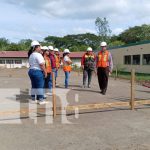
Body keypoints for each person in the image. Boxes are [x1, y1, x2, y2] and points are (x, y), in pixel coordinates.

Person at [28, 41, 48, 105]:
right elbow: (42, 64)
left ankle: (33, 99)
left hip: (31, 71)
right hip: (37, 71)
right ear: (36, 47)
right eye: (39, 47)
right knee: (40, 86)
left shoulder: (31, 55)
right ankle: (41, 100)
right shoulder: (38, 55)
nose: (40, 48)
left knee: (34, 86)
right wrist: (45, 72)